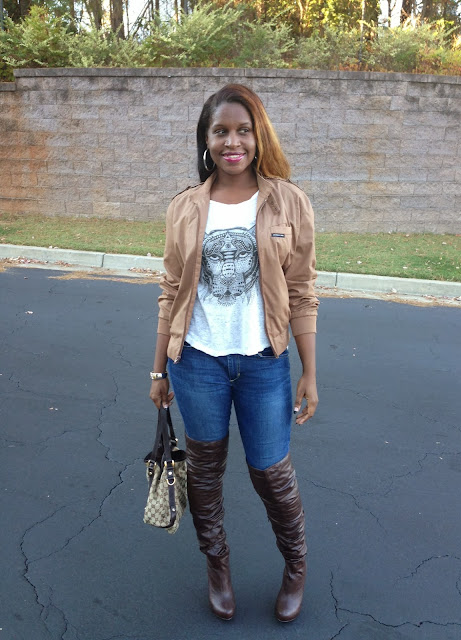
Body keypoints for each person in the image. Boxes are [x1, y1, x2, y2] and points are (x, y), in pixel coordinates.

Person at [149, 84, 319, 623]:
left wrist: (310, 371)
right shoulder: (185, 207)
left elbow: (302, 290)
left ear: (258, 135)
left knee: (271, 471)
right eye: (220, 131)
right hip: (197, 361)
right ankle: (217, 566)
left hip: (264, 362)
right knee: (204, 473)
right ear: (206, 139)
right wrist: (158, 370)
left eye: (243, 130)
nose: (232, 142)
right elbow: (170, 290)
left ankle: (296, 564)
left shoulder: (288, 202)